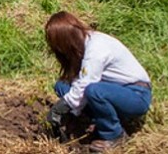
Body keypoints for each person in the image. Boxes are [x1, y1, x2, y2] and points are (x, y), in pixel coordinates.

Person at [45, 11, 152, 152]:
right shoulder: (84, 44)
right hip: (113, 89)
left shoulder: (96, 50)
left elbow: (85, 84)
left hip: (136, 95)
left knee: (94, 91)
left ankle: (115, 135)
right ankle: (92, 120)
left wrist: (62, 107)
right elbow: (79, 80)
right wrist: (69, 110)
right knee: (62, 86)